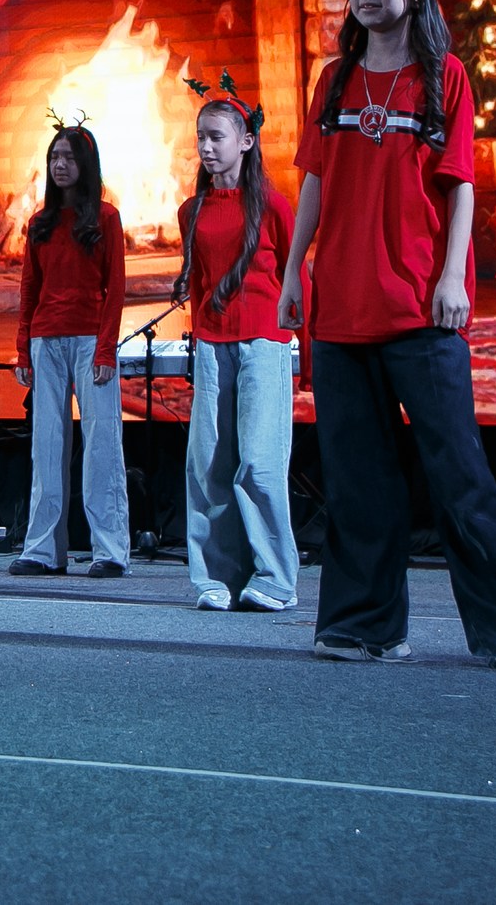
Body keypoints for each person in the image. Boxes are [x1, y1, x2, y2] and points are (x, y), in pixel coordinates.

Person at [278, 0, 496, 673]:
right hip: (341, 307)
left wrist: (452, 279)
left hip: (419, 307)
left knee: (460, 476)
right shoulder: (334, 80)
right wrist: (292, 272)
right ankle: (363, 624)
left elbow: (461, 182)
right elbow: (314, 180)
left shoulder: (445, 76)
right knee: (357, 480)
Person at [175, 88, 300, 612]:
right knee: (209, 462)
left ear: (246, 141)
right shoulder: (192, 210)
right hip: (213, 342)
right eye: (200, 138)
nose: (206, 147)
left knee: (260, 462)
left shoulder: (272, 205)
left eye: (216, 137)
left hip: (264, 341)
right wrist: (201, 339)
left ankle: (275, 577)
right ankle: (216, 577)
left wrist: (304, 352)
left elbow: (295, 275)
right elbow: (199, 282)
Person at [9, 122, 130, 579]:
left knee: (102, 445)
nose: (60, 165)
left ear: (86, 164)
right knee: (46, 446)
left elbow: (115, 288)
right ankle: (43, 550)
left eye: (69, 157)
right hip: (46, 340)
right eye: (54, 157)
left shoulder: (106, 218)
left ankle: (110, 550)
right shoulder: (39, 223)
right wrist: (23, 350)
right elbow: (29, 290)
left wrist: (105, 351)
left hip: (90, 339)